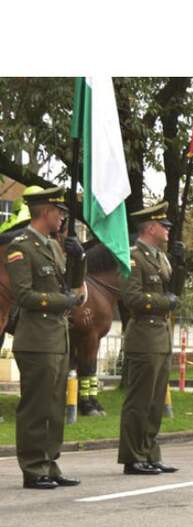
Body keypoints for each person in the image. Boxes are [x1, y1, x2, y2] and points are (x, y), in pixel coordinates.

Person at [7, 186, 85, 489]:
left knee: (54, 406)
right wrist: (63, 302)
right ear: (45, 212)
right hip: (36, 338)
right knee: (36, 406)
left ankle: (50, 463)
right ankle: (32, 467)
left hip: (57, 337)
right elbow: (25, 296)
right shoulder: (21, 247)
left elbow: (71, 285)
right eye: (59, 212)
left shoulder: (52, 246)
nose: (63, 217)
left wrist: (79, 260)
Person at [117, 202, 182, 475]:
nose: (168, 230)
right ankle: (133, 457)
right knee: (140, 400)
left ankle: (150, 452)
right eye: (163, 225)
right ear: (151, 228)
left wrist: (180, 265)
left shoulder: (159, 257)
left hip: (161, 336)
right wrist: (163, 301)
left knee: (155, 401)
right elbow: (131, 297)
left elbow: (173, 294)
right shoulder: (134, 257)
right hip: (144, 336)